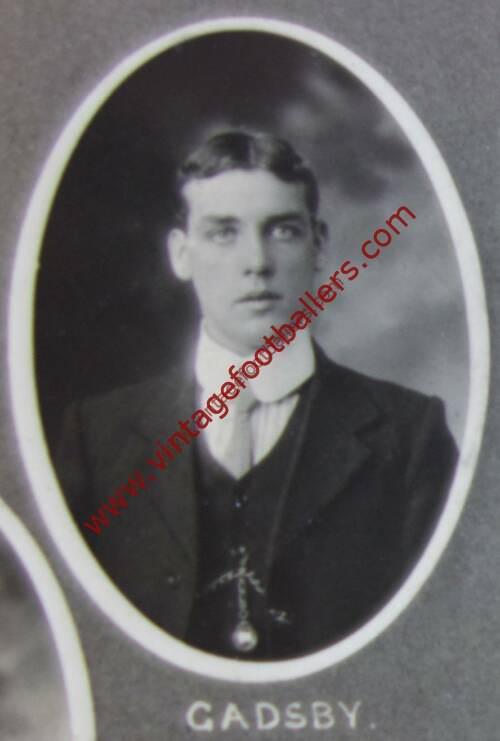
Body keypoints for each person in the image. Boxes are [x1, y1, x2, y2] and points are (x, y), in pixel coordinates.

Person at [57, 130, 457, 660]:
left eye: (283, 231)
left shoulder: (409, 435)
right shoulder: (96, 436)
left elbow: (437, 646)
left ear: (319, 245)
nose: (257, 262)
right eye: (223, 233)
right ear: (181, 254)